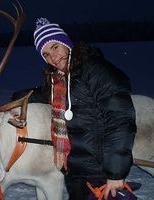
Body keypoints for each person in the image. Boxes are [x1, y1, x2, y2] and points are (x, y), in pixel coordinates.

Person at [12, 18, 137, 200]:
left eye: (55, 47)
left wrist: (115, 173)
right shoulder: (58, 81)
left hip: (101, 170)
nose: (53, 58)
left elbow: (120, 120)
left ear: (66, 42)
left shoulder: (95, 70)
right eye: (46, 55)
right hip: (73, 170)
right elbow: (41, 95)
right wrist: (16, 100)